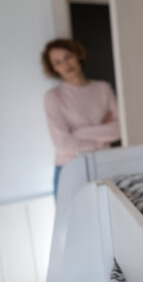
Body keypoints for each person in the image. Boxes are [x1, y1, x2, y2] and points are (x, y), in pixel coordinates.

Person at [42, 39, 121, 200]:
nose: (65, 64)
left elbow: (119, 129)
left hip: (104, 163)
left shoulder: (103, 88)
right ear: (54, 69)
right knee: (71, 223)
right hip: (70, 166)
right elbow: (63, 145)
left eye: (68, 56)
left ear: (77, 55)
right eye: (58, 62)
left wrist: (79, 133)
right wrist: (101, 141)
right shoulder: (53, 96)